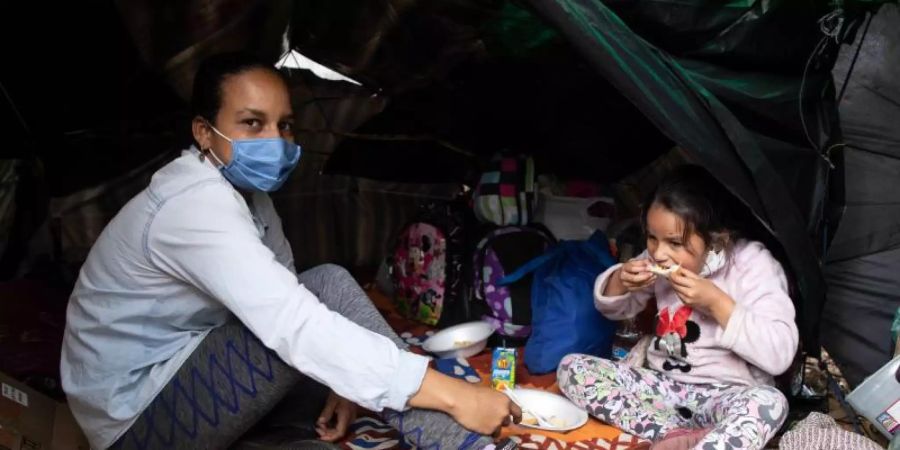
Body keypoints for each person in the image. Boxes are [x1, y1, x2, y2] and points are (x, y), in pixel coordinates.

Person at [60, 52, 520, 450]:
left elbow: (286, 289)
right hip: (135, 421)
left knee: (328, 315)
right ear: (203, 131)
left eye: (285, 126)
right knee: (323, 294)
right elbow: (292, 319)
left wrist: (345, 381)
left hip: (189, 371)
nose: (275, 142)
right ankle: (453, 431)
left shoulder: (246, 196)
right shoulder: (192, 205)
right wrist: (451, 393)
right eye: (252, 123)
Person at [557, 165, 798, 450]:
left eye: (674, 242)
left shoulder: (753, 264)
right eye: (651, 237)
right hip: (664, 388)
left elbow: (779, 355)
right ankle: (674, 433)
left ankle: (711, 440)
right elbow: (613, 310)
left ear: (717, 238)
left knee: (770, 404)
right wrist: (621, 280)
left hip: (728, 395)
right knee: (572, 368)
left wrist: (716, 302)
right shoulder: (658, 258)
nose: (659, 252)